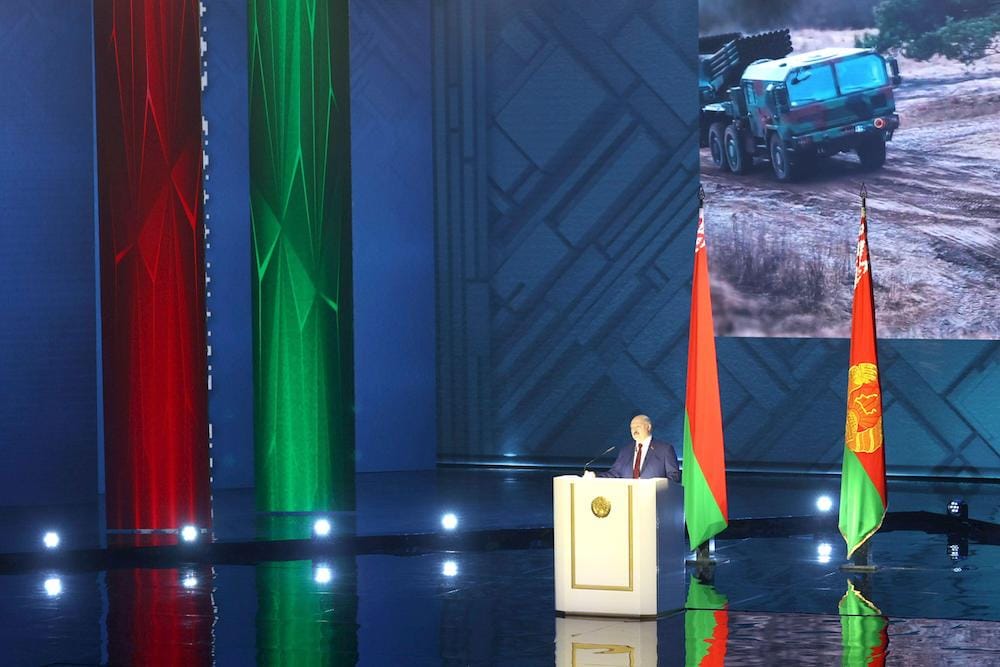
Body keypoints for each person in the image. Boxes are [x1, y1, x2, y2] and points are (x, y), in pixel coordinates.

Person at [584, 414, 680, 482]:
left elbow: (674, 476)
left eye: (638, 426)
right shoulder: (625, 451)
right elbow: (614, 474)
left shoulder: (664, 449)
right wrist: (595, 476)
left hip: (655, 499)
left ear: (648, 427)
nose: (634, 430)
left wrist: (657, 485)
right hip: (628, 497)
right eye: (632, 427)